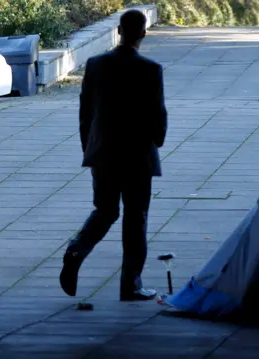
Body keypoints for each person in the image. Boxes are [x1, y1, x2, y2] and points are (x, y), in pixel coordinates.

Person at [59, 9, 167, 302]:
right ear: (143, 33)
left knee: (105, 210)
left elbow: (86, 112)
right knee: (136, 218)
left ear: (118, 31)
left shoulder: (96, 65)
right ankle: (130, 284)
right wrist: (158, 140)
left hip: (104, 152)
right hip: (137, 155)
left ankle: (77, 249)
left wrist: (89, 147)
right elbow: (158, 114)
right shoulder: (150, 69)